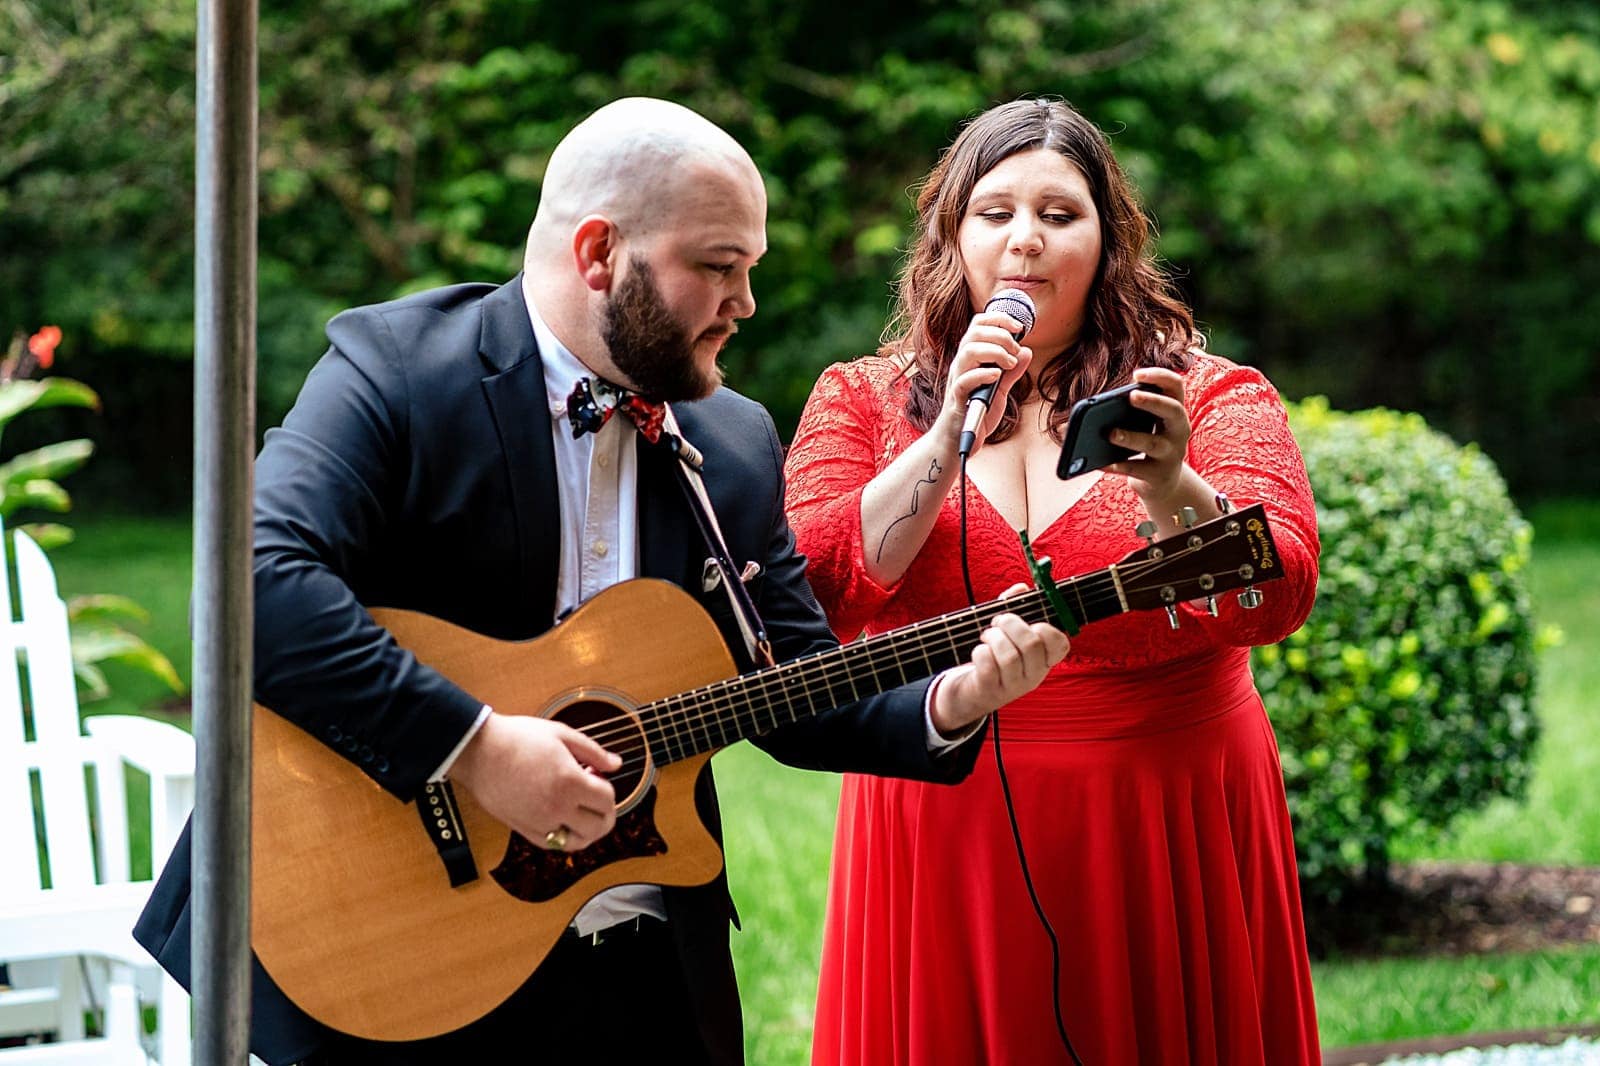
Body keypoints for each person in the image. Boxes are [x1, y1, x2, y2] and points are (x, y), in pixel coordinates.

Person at [133, 97, 1069, 1065]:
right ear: (598, 255)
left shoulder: (732, 441)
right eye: (718, 267)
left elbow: (792, 689)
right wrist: (476, 744)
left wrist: (958, 695)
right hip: (381, 948)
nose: (746, 303)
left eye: (749, 269)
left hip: (640, 966)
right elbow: (253, 584)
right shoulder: (401, 370)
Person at [784, 97, 1322, 1065]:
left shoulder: (1206, 395)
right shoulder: (860, 399)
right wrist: (945, 437)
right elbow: (814, 586)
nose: (1024, 239)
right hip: (938, 813)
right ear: (951, 233)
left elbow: (1276, 586)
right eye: (994, 213)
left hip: (1159, 823)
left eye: (1059, 214)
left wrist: (1171, 481)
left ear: (1107, 239)